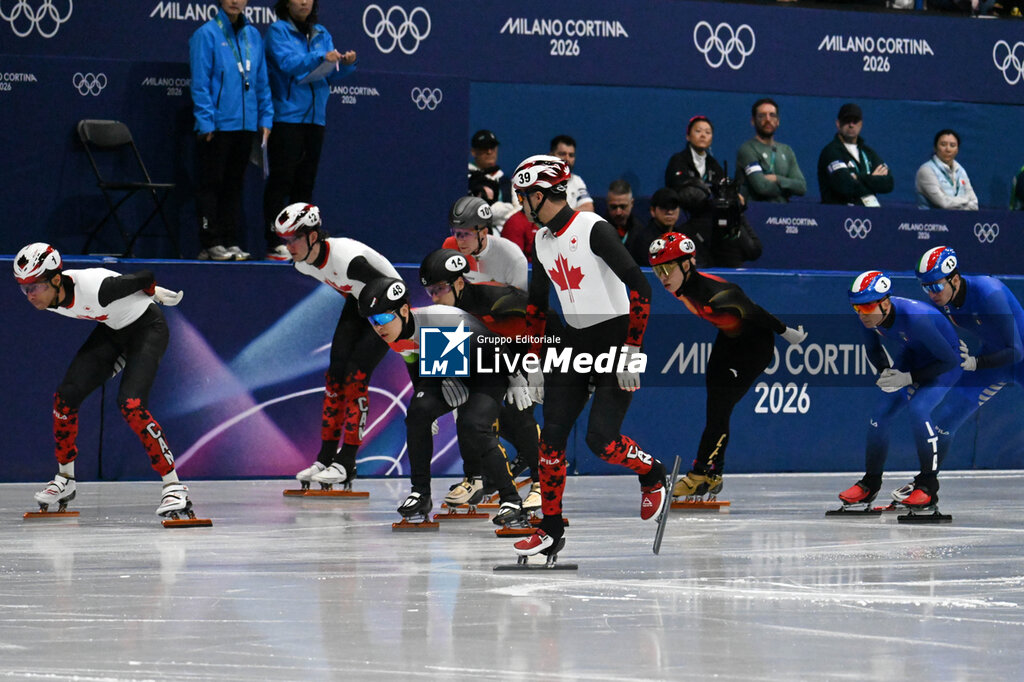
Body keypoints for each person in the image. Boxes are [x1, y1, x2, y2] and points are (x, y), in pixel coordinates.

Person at [510, 154, 670, 559]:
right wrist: (532, 362)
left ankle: (652, 473)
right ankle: (550, 528)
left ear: (540, 194)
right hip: (575, 344)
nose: (519, 205)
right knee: (552, 439)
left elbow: (642, 291)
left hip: (619, 340)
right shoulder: (542, 242)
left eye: (522, 196)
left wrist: (632, 352)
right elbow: (535, 307)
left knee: (601, 439)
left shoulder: (592, 228)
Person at [13, 243, 196, 518]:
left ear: (55, 278)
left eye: (33, 287)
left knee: (131, 404)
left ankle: (174, 487)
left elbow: (145, 275)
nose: (28, 295)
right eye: (23, 288)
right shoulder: (48, 298)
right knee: (65, 398)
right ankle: (65, 479)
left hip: (147, 328)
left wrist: (152, 292)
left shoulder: (98, 289)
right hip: (113, 330)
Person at [357, 277, 526, 526]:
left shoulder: (440, 319)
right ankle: (420, 494)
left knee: (473, 425)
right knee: (416, 415)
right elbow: (416, 369)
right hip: (452, 366)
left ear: (404, 311)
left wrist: (516, 376)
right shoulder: (395, 337)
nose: (378, 327)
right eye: (372, 321)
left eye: (382, 318)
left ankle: (511, 500)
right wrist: (423, 409)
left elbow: (492, 344)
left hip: (487, 367)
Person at [648, 233, 806, 498]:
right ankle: (713, 473)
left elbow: (753, 310)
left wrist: (786, 331)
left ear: (687, 264)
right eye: (657, 270)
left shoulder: (717, 296)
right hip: (729, 340)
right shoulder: (682, 286)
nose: (662, 277)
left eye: (667, 269)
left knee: (720, 410)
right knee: (716, 409)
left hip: (753, 349)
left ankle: (699, 474)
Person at [273, 203, 399, 490]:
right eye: (285, 240)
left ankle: (347, 461)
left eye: (294, 239)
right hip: (360, 301)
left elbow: (390, 289)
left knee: (356, 375)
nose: (289, 247)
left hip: (389, 305)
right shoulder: (303, 264)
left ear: (313, 236)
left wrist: (391, 323)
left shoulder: (348, 260)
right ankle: (326, 457)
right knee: (335, 375)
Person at [418, 248, 543, 512]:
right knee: (465, 410)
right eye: (430, 292)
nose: (434, 298)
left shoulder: (496, 297)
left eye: (440, 289)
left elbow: (542, 320)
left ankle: (543, 479)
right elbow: (439, 372)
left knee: (520, 412)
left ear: (460, 283)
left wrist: (533, 364)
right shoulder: (440, 316)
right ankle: (473, 478)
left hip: (523, 352)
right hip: (490, 359)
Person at [897, 246, 1024, 501]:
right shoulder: (947, 301)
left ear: (954, 279)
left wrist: (975, 363)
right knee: (944, 421)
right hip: (993, 360)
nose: (931, 293)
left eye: (935, 286)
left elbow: (1016, 350)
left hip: (1016, 356)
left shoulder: (990, 292)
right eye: (925, 287)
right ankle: (925, 484)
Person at [837, 270, 961, 511]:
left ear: (885, 302)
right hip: (912, 357)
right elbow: (874, 351)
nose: (862, 313)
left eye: (867, 306)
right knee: (879, 416)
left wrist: (908, 378)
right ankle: (870, 483)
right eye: (856, 308)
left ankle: (927, 486)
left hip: (944, 364)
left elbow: (949, 362)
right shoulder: (868, 317)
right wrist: (885, 372)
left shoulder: (916, 318)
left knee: (919, 410)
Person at [263, 0, 358, 261]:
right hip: (287, 117)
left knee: (304, 183)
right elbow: (288, 64)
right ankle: (274, 242)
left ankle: (300, 241)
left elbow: (328, 73)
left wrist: (345, 63)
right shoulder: (278, 31)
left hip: (316, 119)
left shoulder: (321, 33)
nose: (304, 1)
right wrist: (320, 57)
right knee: (281, 181)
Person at [189, 0, 273, 261]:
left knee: (234, 186)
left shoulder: (253, 35)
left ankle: (230, 240)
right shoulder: (206, 34)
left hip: (245, 125)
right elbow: (200, 83)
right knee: (211, 185)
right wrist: (206, 121)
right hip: (217, 125)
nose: (235, 1)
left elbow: (261, 81)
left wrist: (265, 118)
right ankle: (210, 242)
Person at [664, 115, 759, 267]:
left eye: (707, 132)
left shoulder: (714, 164)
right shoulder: (678, 160)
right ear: (688, 136)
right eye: (698, 131)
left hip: (710, 223)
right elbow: (677, 190)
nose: (703, 135)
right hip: (685, 221)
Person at [443, 195, 528, 291]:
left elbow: (518, 301)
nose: (460, 241)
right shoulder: (450, 246)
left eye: (466, 234)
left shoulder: (513, 257)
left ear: (484, 232)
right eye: (456, 233)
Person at [817, 103, 893, 206]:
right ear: (838, 124)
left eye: (855, 121)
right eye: (847, 121)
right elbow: (844, 186)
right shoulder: (831, 152)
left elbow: (889, 183)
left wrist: (857, 177)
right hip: (840, 214)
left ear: (861, 124)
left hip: (870, 214)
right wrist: (873, 179)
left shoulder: (868, 152)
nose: (851, 125)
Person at [736, 98, 807, 203]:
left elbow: (801, 187)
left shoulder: (786, 150)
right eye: (762, 115)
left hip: (784, 213)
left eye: (772, 115)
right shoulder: (748, 149)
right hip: (755, 212)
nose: (768, 119)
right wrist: (789, 189)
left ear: (778, 121)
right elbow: (762, 187)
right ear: (753, 121)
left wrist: (776, 178)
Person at [915, 130, 978, 210]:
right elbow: (943, 203)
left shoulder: (961, 170)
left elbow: (974, 203)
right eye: (943, 144)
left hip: (960, 220)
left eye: (952, 145)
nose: (948, 149)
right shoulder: (926, 170)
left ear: (957, 150)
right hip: (932, 221)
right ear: (935, 148)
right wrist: (966, 201)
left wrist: (958, 203)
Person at [468, 129, 517, 229]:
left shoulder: (506, 181)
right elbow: (470, 213)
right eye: (484, 148)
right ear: (473, 152)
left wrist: (488, 213)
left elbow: (518, 212)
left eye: (492, 147)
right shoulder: (466, 178)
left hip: (504, 236)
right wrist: (503, 211)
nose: (489, 152)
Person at [632, 187, 682, 267]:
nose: (669, 211)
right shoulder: (643, 240)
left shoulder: (682, 238)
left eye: (673, 206)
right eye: (664, 207)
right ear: (652, 211)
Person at [603, 179, 649, 267]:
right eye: (613, 207)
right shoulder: (597, 230)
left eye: (623, 206)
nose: (618, 212)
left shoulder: (641, 232)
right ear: (607, 204)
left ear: (632, 203)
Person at [549, 134, 595, 212]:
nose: (567, 159)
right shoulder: (540, 180)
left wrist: (562, 215)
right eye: (562, 154)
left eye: (571, 155)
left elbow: (589, 208)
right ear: (551, 155)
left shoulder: (576, 180)